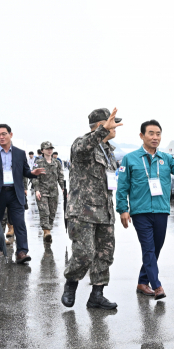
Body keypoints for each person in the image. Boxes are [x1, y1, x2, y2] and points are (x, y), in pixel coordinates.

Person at [116, 120, 174, 300]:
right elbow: (122, 185)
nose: (155, 137)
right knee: (148, 248)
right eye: (151, 133)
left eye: (158, 134)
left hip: (162, 210)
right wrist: (123, 209)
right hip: (140, 211)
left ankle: (142, 282)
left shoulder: (165, 158)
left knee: (156, 249)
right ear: (142, 136)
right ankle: (157, 286)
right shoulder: (130, 158)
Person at [61, 108, 122, 310]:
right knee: (84, 253)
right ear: (101, 125)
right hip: (83, 211)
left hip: (105, 211)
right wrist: (102, 131)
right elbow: (83, 149)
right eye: (111, 124)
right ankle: (71, 284)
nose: (115, 128)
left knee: (105, 254)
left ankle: (97, 295)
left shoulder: (109, 151)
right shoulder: (82, 144)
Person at [0, 124, 45, 263]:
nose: (1, 137)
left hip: (15, 193)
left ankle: (22, 252)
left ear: (10, 134)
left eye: (4, 134)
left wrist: (32, 173)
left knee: (19, 223)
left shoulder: (20, 153)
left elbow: (25, 171)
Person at [32, 141, 66, 242]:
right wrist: (36, 190)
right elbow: (34, 177)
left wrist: (63, 188)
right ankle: (46, 231)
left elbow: (60, 176)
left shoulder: (57, 163)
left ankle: (48, 229)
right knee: (44, 211)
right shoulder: (38, 163)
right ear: (42, 150)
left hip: (54, 191)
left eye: (51, 148)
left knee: (52, 212)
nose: (49, 150)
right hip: (42, 191)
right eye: (47, 149)